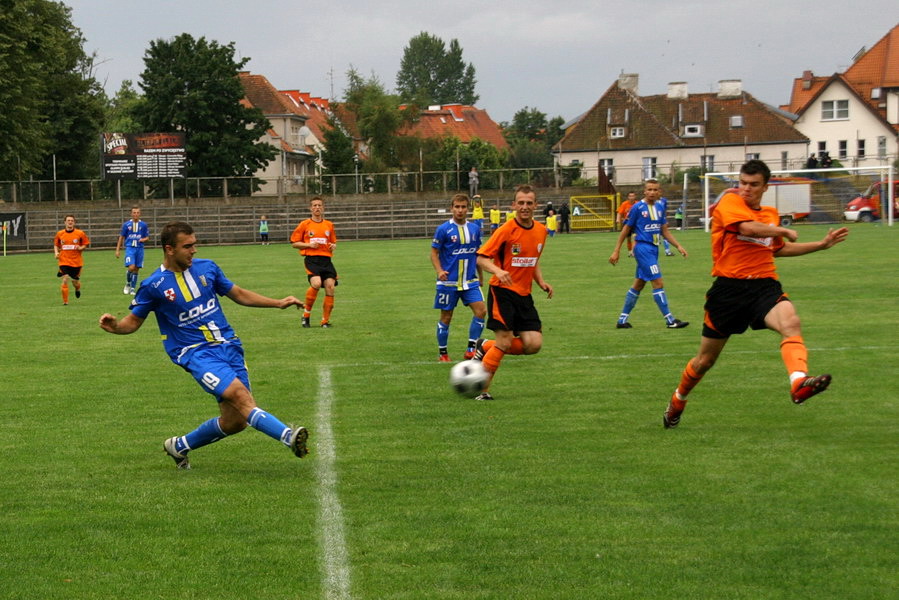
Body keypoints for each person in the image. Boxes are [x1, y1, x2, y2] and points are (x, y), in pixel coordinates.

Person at [98, 221, 309, 469]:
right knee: (241, 397)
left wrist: (278, 302)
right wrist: (115, 327)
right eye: (187, 246)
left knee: (235, 422)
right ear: (169, 249)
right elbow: (132, 322)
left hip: (229, 346)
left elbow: (238, 294)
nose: (194, 250)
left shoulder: (207, 268)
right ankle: (288, 436)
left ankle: (178, 446)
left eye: (194, 244)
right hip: (195, 353)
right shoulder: (153, 286)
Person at [664, 159, 849, 429]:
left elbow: (777, 249)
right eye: (742, 183)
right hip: (729, 290)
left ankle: (798, 382)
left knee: (791, 323)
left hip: (764, 285)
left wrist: (820, 245)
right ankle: (678, 399)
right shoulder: (729, 203)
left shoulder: (770, 214)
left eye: (753, 185)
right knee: (705, 360)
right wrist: (782, 229)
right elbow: (746, 228)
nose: (746, 189)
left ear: (765, 186)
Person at [473, 184, 553, 401]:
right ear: (514, 205)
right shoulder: (506, 230)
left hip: (524, 295)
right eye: (521, 203)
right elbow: (481, 258)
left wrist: (541, 281)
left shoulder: (541, 231)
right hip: (502, 293)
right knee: (506, 342)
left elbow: (532, 260)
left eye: (529, 203)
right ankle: (481, 390)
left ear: (536, 205)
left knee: (533, 344)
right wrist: (498, 271)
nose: (525, 207)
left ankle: (485, 346)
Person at [609, 179, 689, 329]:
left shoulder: (659, 207)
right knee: (658, 282)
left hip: (654, 249)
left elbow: (664, 230)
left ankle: (622, 320)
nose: (652, 192)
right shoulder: (637, 208)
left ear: (659, 192)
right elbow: (626, 229)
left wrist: (678, 246)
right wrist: (616, 250)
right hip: (643, 249)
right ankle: (670, 320)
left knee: (638, 284)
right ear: (644, 191)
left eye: (655, 190)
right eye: (649, 189)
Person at [430, 193, 486, 362]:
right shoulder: (443, 229)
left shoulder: (475, 229)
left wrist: (481, 276)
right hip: (449, 282)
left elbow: (478, 254)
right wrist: (439, 271)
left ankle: (471, 349)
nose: (460, 210)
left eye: (463, 207)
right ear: (451, 208)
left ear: (468, 209)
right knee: (446, 317)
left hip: (470, 282)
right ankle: (443, 353)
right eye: (457, 207)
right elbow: (433, 253)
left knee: (481, 311)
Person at [290, 196, 338, 328]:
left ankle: (325, 321)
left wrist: (333, 246)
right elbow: (294, 243)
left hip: (326, 260)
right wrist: (309, 245)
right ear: (310, 208)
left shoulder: (329, 225)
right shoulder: (304, 224)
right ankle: (306, 315)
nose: (317, 207)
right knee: (316, 283)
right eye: (315, 205)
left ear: (323, 208)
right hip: (312, 260)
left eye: (319, 205)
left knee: (330, 287)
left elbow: (333, 242)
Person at [54, 215, 90, 305]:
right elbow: (56, 245)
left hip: (76, 262)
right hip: (64, 261)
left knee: (75, 282)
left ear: (74, 222)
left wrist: (81, 248)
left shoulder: (80, 233)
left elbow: (86, 244)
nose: (70, 222)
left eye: (72, 221)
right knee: (65, 278)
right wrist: (56, 253)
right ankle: (65, 301)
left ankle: (77, 289)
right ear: (65, 222)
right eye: (68, 220)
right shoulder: (60, 234)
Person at [115, 206, 149, 295]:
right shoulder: (126, 225)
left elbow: (147, 237)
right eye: (134, 212)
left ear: (140, 214)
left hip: (140, 249)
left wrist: (143, 240)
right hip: (130, 248)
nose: (136, 214)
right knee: (131, 267)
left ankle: (133, 288)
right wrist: (118, 250)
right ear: (131, 214)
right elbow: (121, 237)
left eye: (137, 212)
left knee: (136, 269)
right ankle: (128, 283)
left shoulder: (143, 225)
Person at [616, 192, 637, 256]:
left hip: (635, 223)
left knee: (635, 237)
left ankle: (633, 251)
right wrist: (618, 219)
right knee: (628, 238)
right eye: (630, 196)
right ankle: (630, 251)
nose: (631, 198)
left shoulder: (637, 204)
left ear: (635, 197)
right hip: (627, 223)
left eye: (633, 196)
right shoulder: (624, 204)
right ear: (628, 197)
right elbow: (619, 212)